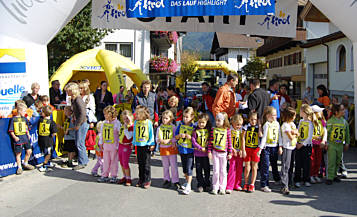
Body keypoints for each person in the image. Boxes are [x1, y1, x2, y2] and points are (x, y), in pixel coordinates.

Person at [65, 82, 89, 170]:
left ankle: (82, 162)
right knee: (79, 142)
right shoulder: (74, 99)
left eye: (68, 90)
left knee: (79, 143)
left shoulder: (78, 99)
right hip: (79, 122)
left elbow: (83, 113)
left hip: (82, 123)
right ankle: (84, 160)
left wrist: (78, 124)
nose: (67, 92)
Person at [208, 112, 232, 195]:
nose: (217, 122)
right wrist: (209, 151)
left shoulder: (227, 131)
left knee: (223, 171)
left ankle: (222, 187)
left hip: (223, 153)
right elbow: (210, 141)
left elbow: (229, 142)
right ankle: (215, 187)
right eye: (216, 120)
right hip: (215, 152)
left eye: (219, 120)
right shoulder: (213, 130)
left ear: (224, 121)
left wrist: (230, 153)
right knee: (216, 171)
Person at [326, 103, 350, 185]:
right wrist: (326, 142)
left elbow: (347, 133)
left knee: (338, 161)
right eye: (342, 110)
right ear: (336, 112)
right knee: (331, 160)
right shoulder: (330, 121)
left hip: (340, 145)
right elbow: (327, 133)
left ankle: (335, 174)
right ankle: (330, 177)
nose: (344, 111)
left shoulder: (344, 122)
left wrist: (347, 143)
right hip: (332, 144)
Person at [259, 106, 281, 192]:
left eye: (276, 115)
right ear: (268, 116)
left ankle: (277, 179)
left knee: (274, 164)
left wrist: (280, 146)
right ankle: (264, 184)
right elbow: (264, 137)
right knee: (266, 165)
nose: (275, 117)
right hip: (267, 147)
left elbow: (279, 136)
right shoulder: (266, 124)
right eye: (273, 115)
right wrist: (260, 148)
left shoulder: (277, 124)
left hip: (274, 146)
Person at [8, 103, 35, 175]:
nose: (25, 113)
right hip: (18, 138)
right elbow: (11, 130)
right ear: (19, 111)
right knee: (18, 154)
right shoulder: (13, 119)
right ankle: (19, 167)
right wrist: (15, 137)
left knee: (29, 151)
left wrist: (28, 133)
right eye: (24, 111)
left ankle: (25, 163)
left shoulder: (24, 119)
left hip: (25, 137)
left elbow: (27, 127)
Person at [132, 106, 155, 189]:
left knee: (146, 164)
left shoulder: (148, 122)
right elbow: (134, 133)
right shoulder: (136, 122)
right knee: (140, 163)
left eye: (137, 114)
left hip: (146, 145)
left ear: (142, 114)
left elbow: (151, 133)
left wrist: (151, 143)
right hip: (138, 145)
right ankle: (141, 178)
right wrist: (133, 142)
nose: (136, 115)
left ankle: (147, 179)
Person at [156, 110, 180, 190]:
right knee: (165, 166)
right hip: (163, 148)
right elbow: (157, 138)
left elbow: (176, 137)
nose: (164, 120)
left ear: (171, 119)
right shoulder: (159, 128)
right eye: (163, 118)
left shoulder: (173, 127)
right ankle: (166, 179)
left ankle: (175, 180)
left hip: (171, 148)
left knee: (174, 166)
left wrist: (170, 140)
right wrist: (160, 140)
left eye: (166, 118)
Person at [97, 106, 121, 183]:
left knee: (114, 161)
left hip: (114, 145)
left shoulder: (117, 123)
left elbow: (120, 134)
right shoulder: (104, 123)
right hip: (106, 145)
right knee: (105, 161)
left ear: (111, 114)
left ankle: (114, 175)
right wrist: (100, 143)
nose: (105, 116)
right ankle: (104, 175)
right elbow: (101, 133)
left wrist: (118, 145)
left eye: (106, 114)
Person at [175, 107, 195, 195]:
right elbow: (175, 136)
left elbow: (196, 138)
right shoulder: (180, 125)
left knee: (189, 168)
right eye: (184, 117)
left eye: (187, 117)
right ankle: (187, 182)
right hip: (182, 150)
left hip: (190, 150)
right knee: (184, 170)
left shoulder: (193, 127)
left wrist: (191, 137)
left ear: (192, 117)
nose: (185, 118)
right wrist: (180, 135)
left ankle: (189, 186)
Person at [279, 107, 299, 195]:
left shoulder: (292, 124)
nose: (295, 117)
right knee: (285, 166)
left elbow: (296, 132)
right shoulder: (285, 125)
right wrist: (295, 133)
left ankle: (289, 182)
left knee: (291, 166)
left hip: (292, 146)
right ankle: (284, 185)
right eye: (294, 116)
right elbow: (290, 137)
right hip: (286, 146)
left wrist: (295, 133)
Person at [294, 104, 314, 188]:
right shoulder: (301, 121)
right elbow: (298, 131)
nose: (299, 112)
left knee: (306, 163)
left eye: (301, 111)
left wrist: (302, 144)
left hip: (306, 146)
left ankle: (306, 179)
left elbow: (309, 137)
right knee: (298, 162)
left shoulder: (310, 124)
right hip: (299, 144)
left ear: (305, 112)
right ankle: (297, 179)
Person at [242, 112, 262, 193]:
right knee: (247, 167)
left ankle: (252, 184)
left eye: (255, 120)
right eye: (252, 119)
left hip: (255, 149)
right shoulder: (246, 127)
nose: (253, 121)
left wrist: (260, 125)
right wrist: (243, 149)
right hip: (247, 148)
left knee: (254, 167)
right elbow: (243, 138)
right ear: (249, 119)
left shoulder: (258, 127)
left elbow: (260, 135)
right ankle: (246, 183)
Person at [191, 113, 211, 193]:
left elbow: (210, 140)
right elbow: (193, 140)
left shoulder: (208, 131)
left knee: (207, 169)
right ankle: (200, 184)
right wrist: (200, 148)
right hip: (198, 153)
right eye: (199, 122)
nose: (201, 124)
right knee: (199, 169)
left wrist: (206, 147)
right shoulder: (195, 130)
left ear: (206, 122)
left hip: (205, 154)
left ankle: (207, 183)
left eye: (203, 122)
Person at [226, 114, 245, 194]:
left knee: (239, 168)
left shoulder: (241, 130)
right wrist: (232, 149)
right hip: (232, 151)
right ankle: (229, 185)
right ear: (232, 122)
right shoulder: (229, 130)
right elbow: (227, 140)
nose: (239, 126)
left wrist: (241, 149)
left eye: (240, 125)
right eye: (237, 124)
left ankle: (237, 184)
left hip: (239, 151)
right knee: (232, 168)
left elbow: (242, 140)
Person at [37, 106, 58, 172]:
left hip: (41, 139)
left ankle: (48, 162)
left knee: (45, 152)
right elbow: (54, 133)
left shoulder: (40, 120)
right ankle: (44, 165)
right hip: (48, 140)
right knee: (48, 153)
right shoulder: (52, 122)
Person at [310, 105, 327, 184]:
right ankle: (311, 175)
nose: (321, 112)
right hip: (312, 143)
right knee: (312, 159)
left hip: (319, 144)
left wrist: (323, 140)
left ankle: (316, 174)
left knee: (318, 159)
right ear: (315, 113)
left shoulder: (322, 121)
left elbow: (325, 132)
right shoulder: (311, 122)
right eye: (320, 111)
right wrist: (314, 137)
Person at [117, 110, 134, 186]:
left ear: (131, 117)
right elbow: (120, 135)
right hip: (121, 145)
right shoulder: (123, 126)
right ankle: (124, 176)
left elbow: (129, 136)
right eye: (124, 119)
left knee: (125, 162)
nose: (126, 120)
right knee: (121, 162)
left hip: (127, 146)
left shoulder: (132, 126)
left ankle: (128, 178)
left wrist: (125, 127)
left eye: (127, 118)